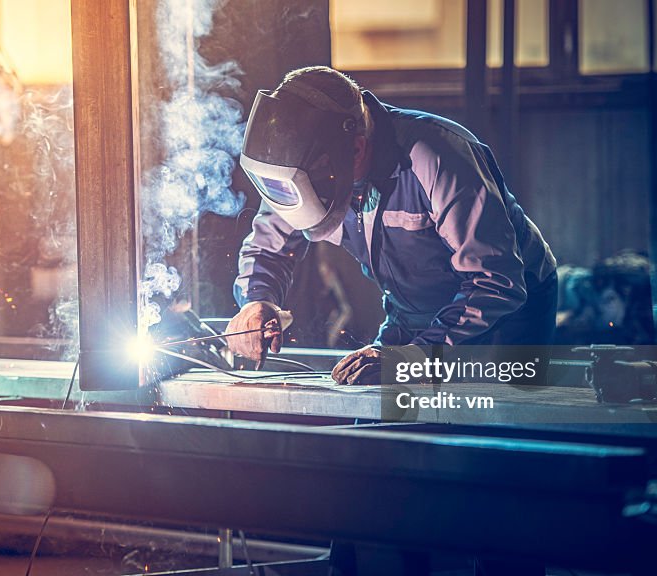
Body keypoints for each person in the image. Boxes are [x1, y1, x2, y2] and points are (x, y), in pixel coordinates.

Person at [226, 66, 557, 384]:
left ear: (356, 149)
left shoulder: (435, 157)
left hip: (505, 316)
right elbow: (267, 249)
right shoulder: (297, 165)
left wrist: (410, 360)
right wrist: (258, 301)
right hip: (409, 313)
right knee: (379, 425)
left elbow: (495, 282)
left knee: (482, 429)